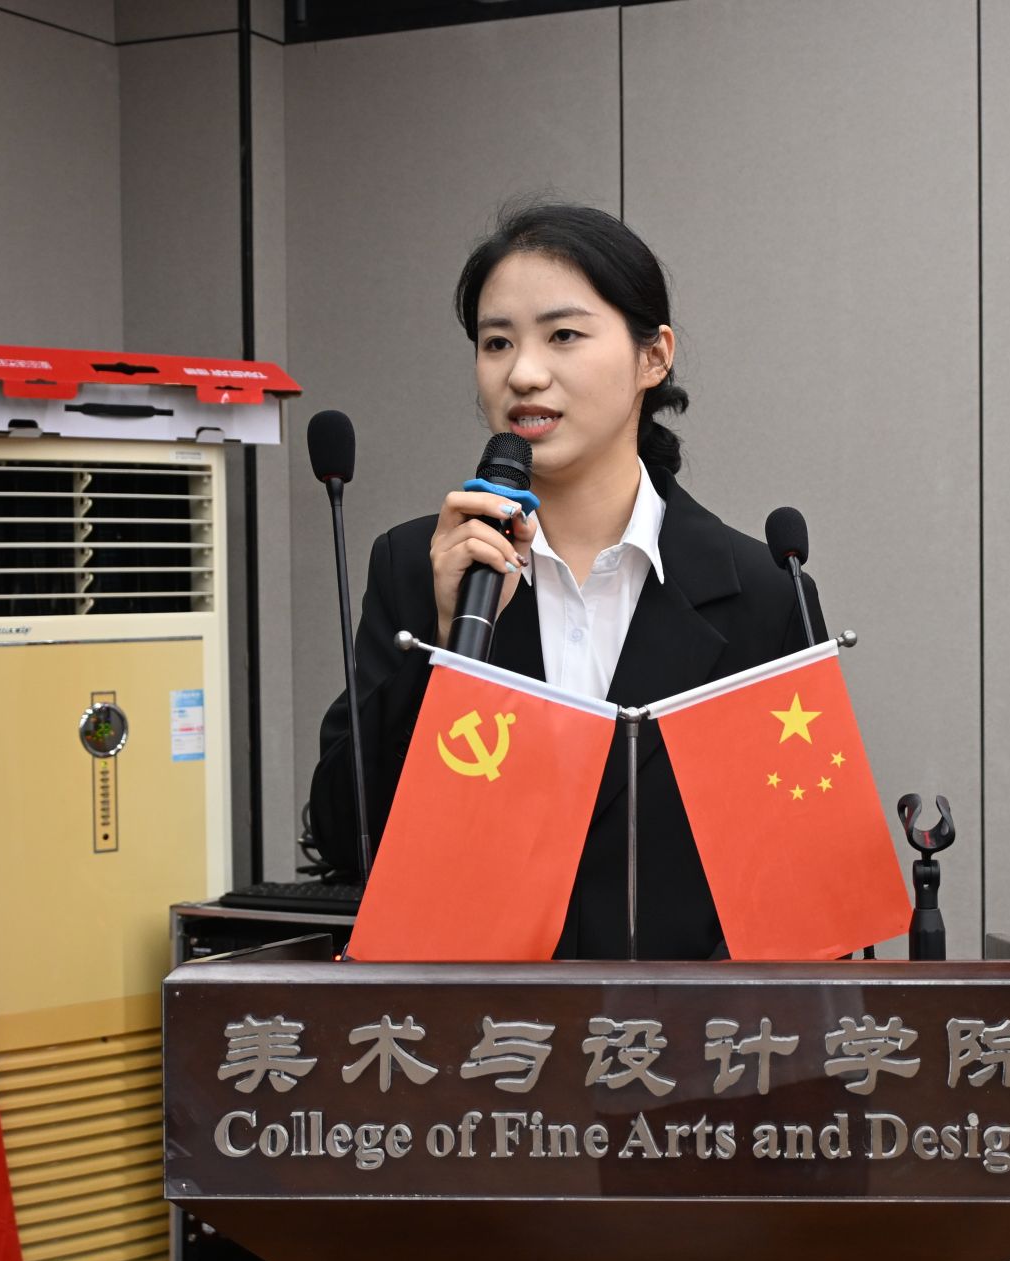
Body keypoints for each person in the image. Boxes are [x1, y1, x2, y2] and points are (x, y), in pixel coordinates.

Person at [310, 202, 824, 959]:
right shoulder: (420, 565)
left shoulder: (763, 592)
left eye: (563, 335)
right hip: (476, 1024)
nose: (523, 373)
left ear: (653, 357)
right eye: (497, 342)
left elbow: (801, 893)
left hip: (679, 1028)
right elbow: (345, 839)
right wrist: (445, 652)